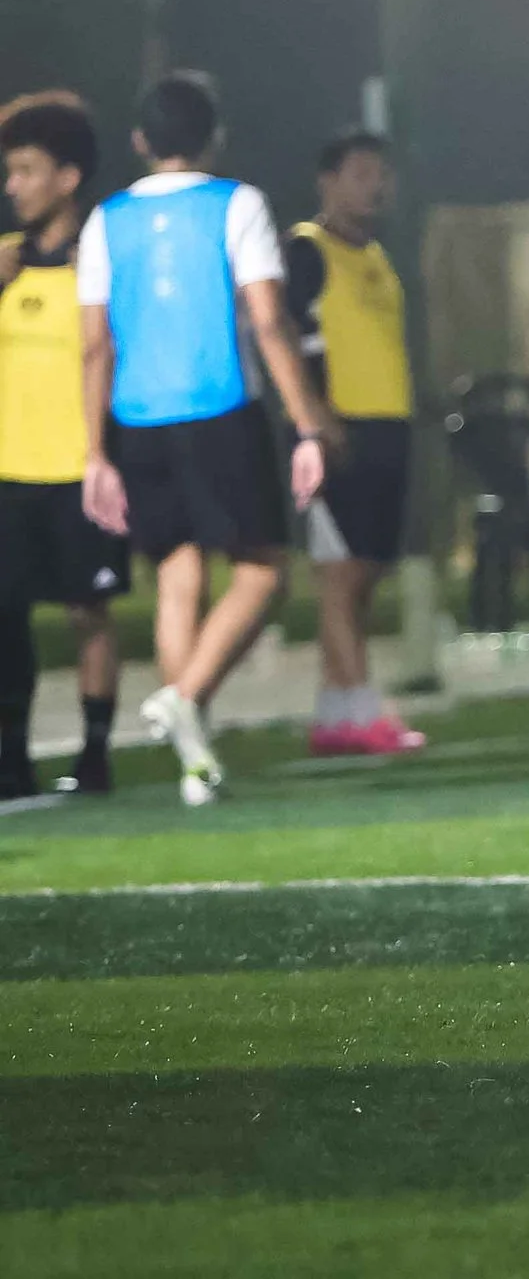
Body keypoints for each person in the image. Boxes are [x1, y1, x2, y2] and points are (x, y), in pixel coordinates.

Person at [77, 71, 334, 806]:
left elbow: (94, 345)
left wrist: (95, 453)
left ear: (139, 141)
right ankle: (185, 697)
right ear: (214, 136)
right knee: (264, 571)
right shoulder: (238, 203)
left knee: (177, 578)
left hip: (136, 419)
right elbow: (268, 320)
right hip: (220, 408)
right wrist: (308, 425)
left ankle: (194, 762)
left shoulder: (105, 220)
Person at [0, 93, 128, 800]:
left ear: (68, 177)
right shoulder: (5, 264)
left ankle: (95, 753)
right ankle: (10, 760)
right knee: (5, 618)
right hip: (9, 473)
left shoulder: (101, 267)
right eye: (10, 172)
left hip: (81, 469)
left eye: (26, 171)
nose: (12, 186)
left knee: (88, 612)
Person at [284, 131, 425, 756]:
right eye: (361, 174)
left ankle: (335, 714)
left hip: (386, 427)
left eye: (381, 175)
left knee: (364, 573)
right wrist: (314, 419)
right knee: (338, 574)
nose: (376, 187)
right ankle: (366, 710)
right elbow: (282, 337)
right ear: (328, 181)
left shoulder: (377, 257)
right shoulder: (306, 250)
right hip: (335, 430)